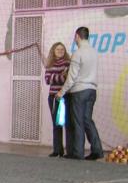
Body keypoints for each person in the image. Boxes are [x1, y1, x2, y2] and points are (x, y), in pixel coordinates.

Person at [56, 27, 103, 160]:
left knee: (78, 122)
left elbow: (71, 78)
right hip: (92, 90)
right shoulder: (94, 52)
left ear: (77, 36)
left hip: (79, 91)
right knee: (88, 120)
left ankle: (78, 152)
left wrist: (61, 92)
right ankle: (97, 150)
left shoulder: (78, 53)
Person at [43, 42, 70, 157]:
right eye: (58, 49)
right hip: (53, 97)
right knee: (56, 124)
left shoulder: (68, 63)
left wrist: (57, 77)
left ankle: (69, 150)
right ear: (53, 51)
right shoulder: (50, 64)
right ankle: (57, 150)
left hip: (65, 96)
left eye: (62, 49)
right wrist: (60, 76)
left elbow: (67, 80)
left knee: (66, 123)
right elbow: (47, 80)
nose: (60, 51)